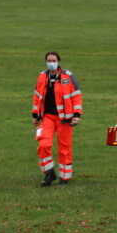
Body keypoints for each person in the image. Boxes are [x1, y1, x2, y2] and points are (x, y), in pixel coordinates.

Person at [31, 51, 83, 187]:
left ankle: (64, 178)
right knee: (43, 144)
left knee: (64, 148)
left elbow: (76, 96)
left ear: (59, 61)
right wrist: (35, 115)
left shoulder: (68, 76)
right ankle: (49, 172)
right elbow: (37, 96)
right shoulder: (42, 77)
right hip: (47, 117)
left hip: (65, 118)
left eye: (53, 60)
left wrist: (77, 115)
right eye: (49, 60)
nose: (51, 63)